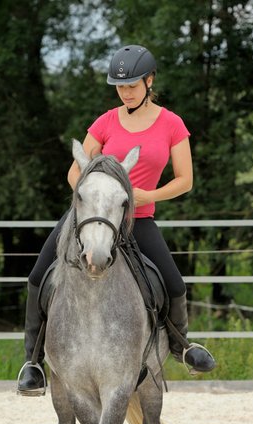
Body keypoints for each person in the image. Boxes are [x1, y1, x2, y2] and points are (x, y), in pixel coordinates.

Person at [17, 44, 216, 395]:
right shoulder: (106, 121)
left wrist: (147, 196)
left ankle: (182, 346)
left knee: (174, 284)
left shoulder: (172, 124)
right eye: (120, 87)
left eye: (132, 86)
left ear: (149, 81)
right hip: (93, 218)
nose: (125, 93)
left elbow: (185, 180)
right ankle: (33, 362)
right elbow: (73, 172)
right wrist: (93, 200)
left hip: (137, 217)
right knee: (37, 276)